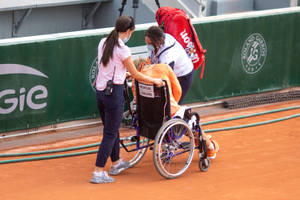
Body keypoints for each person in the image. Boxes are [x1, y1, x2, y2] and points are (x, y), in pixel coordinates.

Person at [91, 16, 164, 184]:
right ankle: (98, 171)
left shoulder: (103, 42)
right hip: (113, 95)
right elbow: (137, 74)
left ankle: (116, 163)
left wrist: (125, 73)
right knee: (110, 132)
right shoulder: (123, 50)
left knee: (111, 129)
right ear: (128, 31)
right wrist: (154, 80)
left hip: (100, 93)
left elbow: (111, 67)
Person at [132, 58, 219, 159]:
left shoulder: (135, 80)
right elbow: (178, 90)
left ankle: (193, 140)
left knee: (180, 120)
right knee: (191, 120)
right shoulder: (164, 67)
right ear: (146, 63)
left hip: (148, 121)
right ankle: (210, 147)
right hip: (169, 117)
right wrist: (172, 104)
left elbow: (138, 101)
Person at [145, 26, 194, 104]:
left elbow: (165, 75)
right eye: (147, 43)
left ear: (157, 42)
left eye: (150, 44)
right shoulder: (156, 42)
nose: (148, 46)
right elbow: (151, 60)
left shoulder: (168, 54)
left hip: (182, 76)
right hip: (168, 72)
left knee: (172, 104)